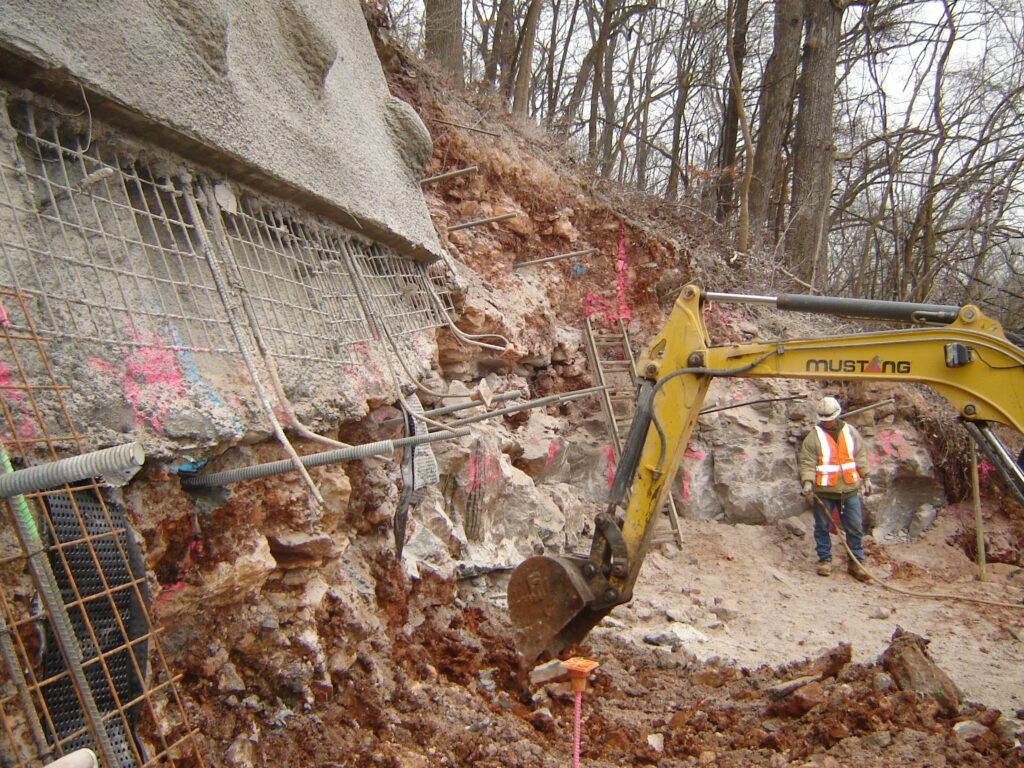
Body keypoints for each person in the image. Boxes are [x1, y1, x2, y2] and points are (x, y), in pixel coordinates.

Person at [799, 396, 873, 581]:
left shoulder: (850, 432)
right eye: (824, 419)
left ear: (837, 415)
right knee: (822, 526)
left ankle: (856, 563)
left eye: (829, 418)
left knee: (855, 528)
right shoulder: (813, 437)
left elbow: (860, 456)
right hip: (824, 491)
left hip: (849, 490)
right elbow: (807, 462)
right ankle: (824, 560)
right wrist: (807, 482)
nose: (827, 422)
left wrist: (867, 477)